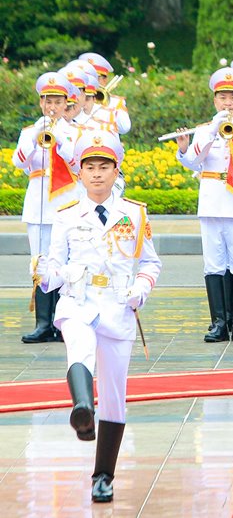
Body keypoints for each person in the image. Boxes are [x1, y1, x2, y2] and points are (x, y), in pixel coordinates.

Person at [36, 131, 161, 503]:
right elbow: (52, 265)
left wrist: (141, 288)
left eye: (103, 167)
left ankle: (103, 475)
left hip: (117, 306)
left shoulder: (134, 214)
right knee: (79, 347)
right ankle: (82, 408)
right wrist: (50, 274)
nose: (96, 174)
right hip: (78, 300)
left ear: (115, 170)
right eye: (89, 167)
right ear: (79, 173)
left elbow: (151, 262)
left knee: (115, 395)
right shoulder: (66, 217)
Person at [174, 68, 233, 343]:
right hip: (213, 204)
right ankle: (218, 323)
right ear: (215, 101)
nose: (227, 103)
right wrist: (196, 140)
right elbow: (192, 161)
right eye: (222, 97)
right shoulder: (205, 130)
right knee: (214, 264)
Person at [14, 72, 80, 343]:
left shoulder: (74, 132)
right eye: (47, 101)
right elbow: (18, 162)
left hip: (66, 204)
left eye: (57, 101)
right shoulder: (30, 132)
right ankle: (43, 322)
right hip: (39, 204)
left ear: (66, 104)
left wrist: (60, 136)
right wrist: (36, 136)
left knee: (65, 261)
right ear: (41, 103)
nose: (52, 106)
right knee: (40, 262)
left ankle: (63, 322)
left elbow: (75, 162)